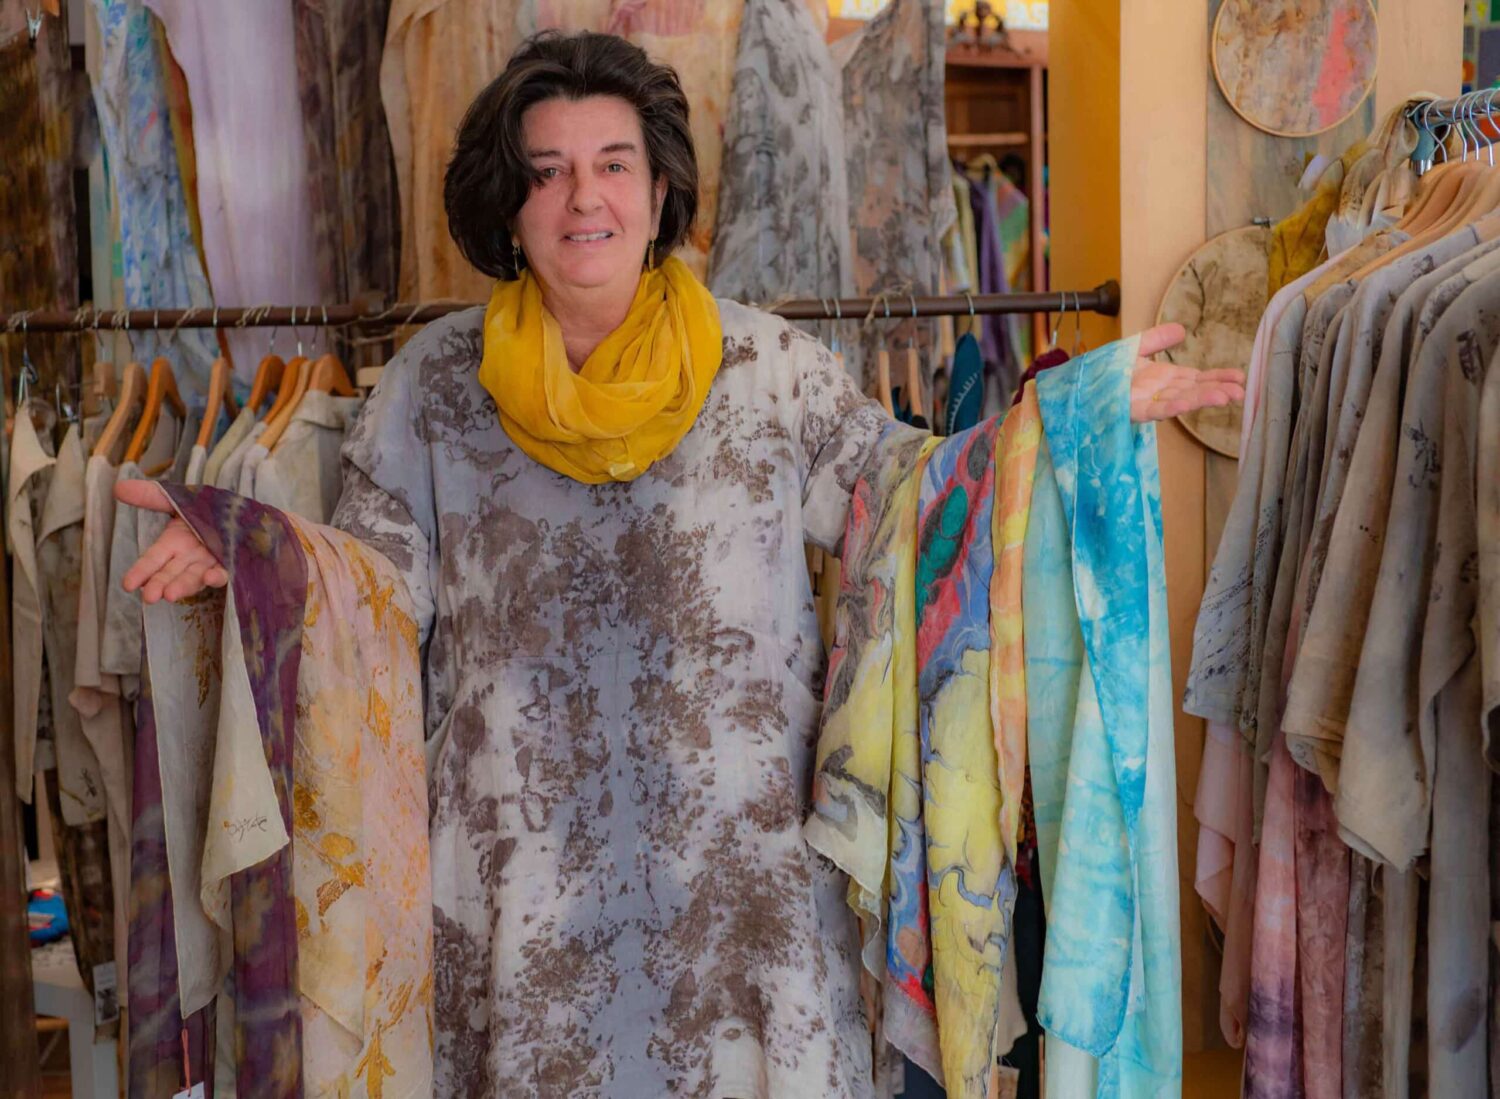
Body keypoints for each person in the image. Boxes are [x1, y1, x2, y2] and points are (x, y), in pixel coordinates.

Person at [116, 30, 1242, 1098]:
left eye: (614, 165)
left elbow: (909, 492)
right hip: (520, 902)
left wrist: (1066, 421)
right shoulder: (434, 388)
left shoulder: (767, 368)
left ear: (660, 194)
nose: (584, 198)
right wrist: (247, 551)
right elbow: (370, 582)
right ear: (509, 204)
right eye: (548, 172)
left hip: (742, 901)